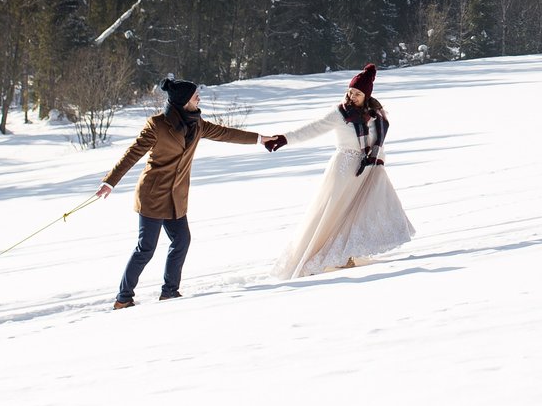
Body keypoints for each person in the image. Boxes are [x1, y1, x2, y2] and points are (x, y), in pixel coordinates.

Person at [97, 77, 278, 308]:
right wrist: (110, 182)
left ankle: (169, 292)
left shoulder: (197, 123)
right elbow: (132, 154)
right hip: (153, 195)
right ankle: (123, 298)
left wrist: (260, 139)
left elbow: (224, 133)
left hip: (176, 197)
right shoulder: (158, 125)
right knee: (146, 248)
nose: (199, 98)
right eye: (195, 96)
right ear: (184, 101)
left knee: (181, 240)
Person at [265, 63, 415, 278]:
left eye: (357, 93)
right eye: (350, 92)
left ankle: (347, 253)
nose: (351, 96)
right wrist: (285, 138)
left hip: (368, 171)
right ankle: (322, 256)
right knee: (335, 214)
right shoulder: (340, 114)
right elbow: (313, 128)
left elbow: (377, 144)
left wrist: (378, 163)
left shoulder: (378, 116)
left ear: (366, 95)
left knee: (362, 211)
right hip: (344, 171)